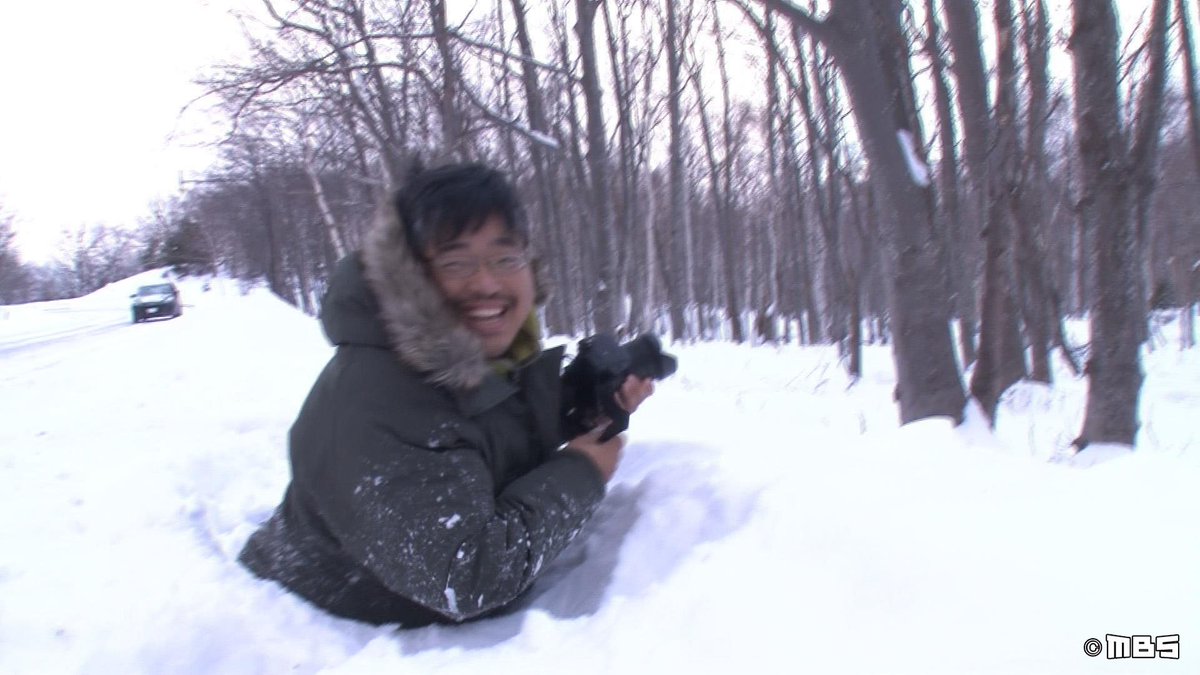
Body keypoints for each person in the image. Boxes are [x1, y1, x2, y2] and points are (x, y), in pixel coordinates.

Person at [239, 162, 654, 626]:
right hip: (322, 628)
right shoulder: (381, 395)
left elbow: (483, 427)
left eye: (505, 258)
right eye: (455, 262)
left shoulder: (468, 355)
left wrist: (584, 402)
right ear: (409, 279)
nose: (487, 283)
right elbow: (469, 579)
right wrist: (582, 472)